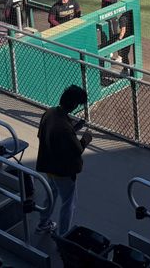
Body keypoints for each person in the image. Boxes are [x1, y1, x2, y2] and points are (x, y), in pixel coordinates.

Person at [35, 85, 92, 237]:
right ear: (73, 105)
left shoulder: (50, 112)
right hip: (63, 172)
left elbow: (44, 135)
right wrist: (86, 138)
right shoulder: (65, 127)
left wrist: (75, 127)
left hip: (48, 165)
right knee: (68, 204)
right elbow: (77, 149)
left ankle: (43, 223)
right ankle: (63, 236)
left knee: (51, 194)